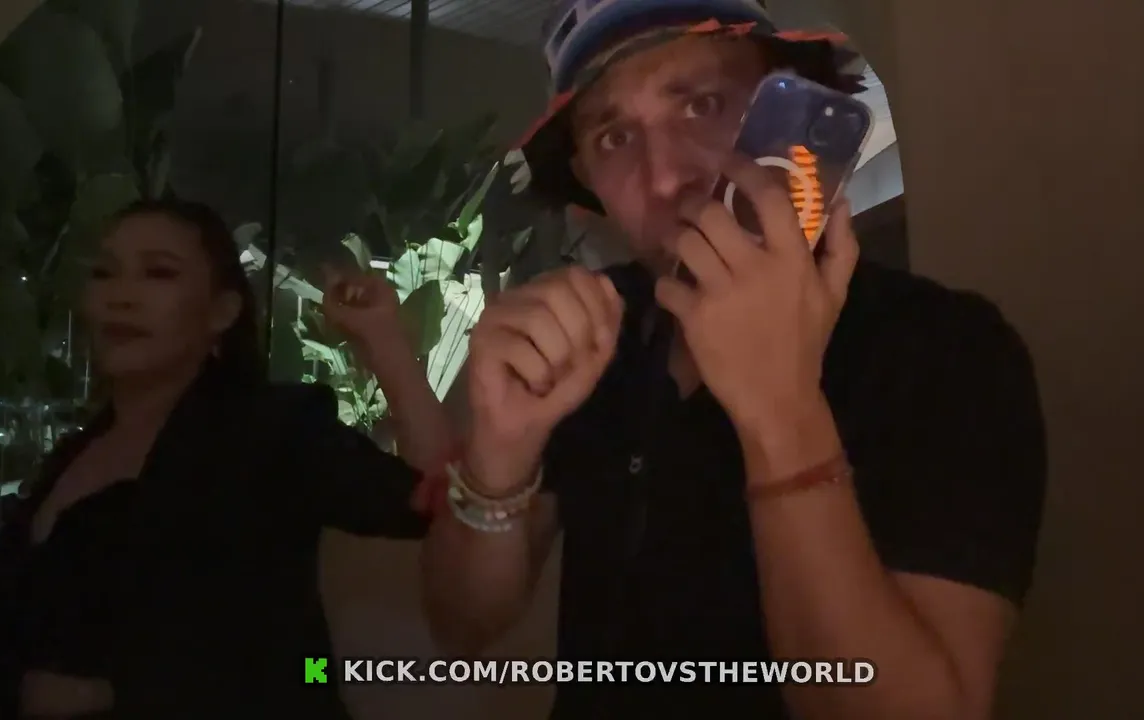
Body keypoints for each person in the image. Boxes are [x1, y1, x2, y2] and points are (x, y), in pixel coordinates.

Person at [421, 2, 1047, 719]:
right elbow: (462, 628)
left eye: (703, 104)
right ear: (586, 178)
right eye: (614, 136)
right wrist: (499, 458)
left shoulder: (943, 348)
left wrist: (780, 408)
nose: (664, 178)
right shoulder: (600, 331)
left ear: (796, 110)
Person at [0, 199, 454, 719]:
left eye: (158, 273)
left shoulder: (271, 431)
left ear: (222, 312)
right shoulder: (75, 453)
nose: (122, 296)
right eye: (104, 273)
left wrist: (383, 340)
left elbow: (433, 498)